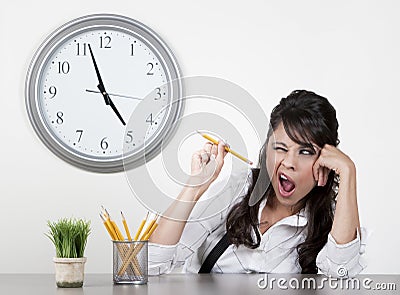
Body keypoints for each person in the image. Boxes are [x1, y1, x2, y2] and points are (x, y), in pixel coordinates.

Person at [148, 90, 367, 277]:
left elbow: (342, 276)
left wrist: (349, 172)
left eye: (305, 151)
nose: (289, 163)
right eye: (280, 148)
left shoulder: (329, 220)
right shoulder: (240, 188)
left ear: (326, 162)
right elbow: (151, 264)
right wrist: (194, 187)